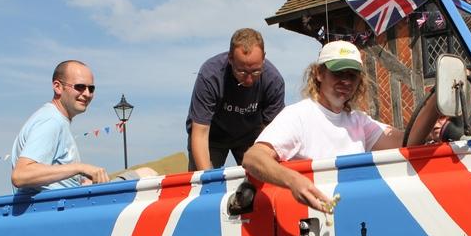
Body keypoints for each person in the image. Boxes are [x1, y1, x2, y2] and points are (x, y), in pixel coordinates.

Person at [242, 40, 438, 212]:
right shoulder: (299, 115)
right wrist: (293, 180)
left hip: (354, 216)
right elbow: (252, 158)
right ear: (319, 73)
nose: (346, 81)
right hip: (312, 221)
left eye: (352, 75)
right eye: (338, 73)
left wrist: (437, 102)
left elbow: (408, 142)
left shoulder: (359, 121)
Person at [11, 60, 155, 193]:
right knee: (147, 174)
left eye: (91, 89)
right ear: (58, 87)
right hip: (60, 208)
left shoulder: (55, 119)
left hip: (66, 201)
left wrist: (81, 181)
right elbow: (21, 175)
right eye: (80, 87)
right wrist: (80, 168)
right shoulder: (51, 121)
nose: (86, 94)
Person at [186, 28, 285, 170]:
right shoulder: (211, 76)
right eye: (242, 71)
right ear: (230, 58)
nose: (249, 79)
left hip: (251, 137)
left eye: (256, 71)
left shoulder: (273, 81)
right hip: (212, 137)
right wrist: (206, 180)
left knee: (264, 178)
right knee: (204, 182)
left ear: (263, 58)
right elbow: (200, 132)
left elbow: (271, 134)